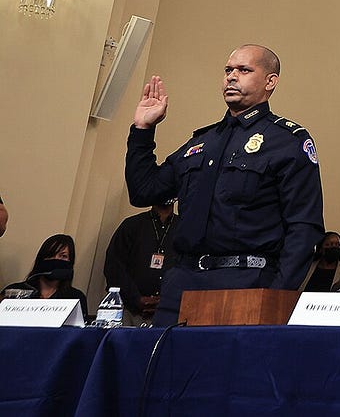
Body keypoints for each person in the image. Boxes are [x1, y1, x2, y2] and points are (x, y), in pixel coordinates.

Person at [125, 44, 325, 327]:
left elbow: (304, 227)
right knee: (164, 369)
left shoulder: (287, 141)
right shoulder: (202, 142)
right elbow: (144, 191)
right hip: (182, 283)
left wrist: (277, 294)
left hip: (245, 283)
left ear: (271, 81)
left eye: (244, 70)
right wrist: (143, 131)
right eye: (228, 70)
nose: (232, 76)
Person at [101, 201, 178, 325]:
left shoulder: (184, 229)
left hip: (170, 314)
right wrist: (136, 298)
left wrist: (167, 301)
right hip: (130, 312)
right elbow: (114, 267)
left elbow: (191, 270)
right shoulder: (131, 225)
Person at [2, 234, 90, 318]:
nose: (56, 260)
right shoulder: (14, 291)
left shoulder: (75, 297)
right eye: (50, 255)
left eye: (63, 256)